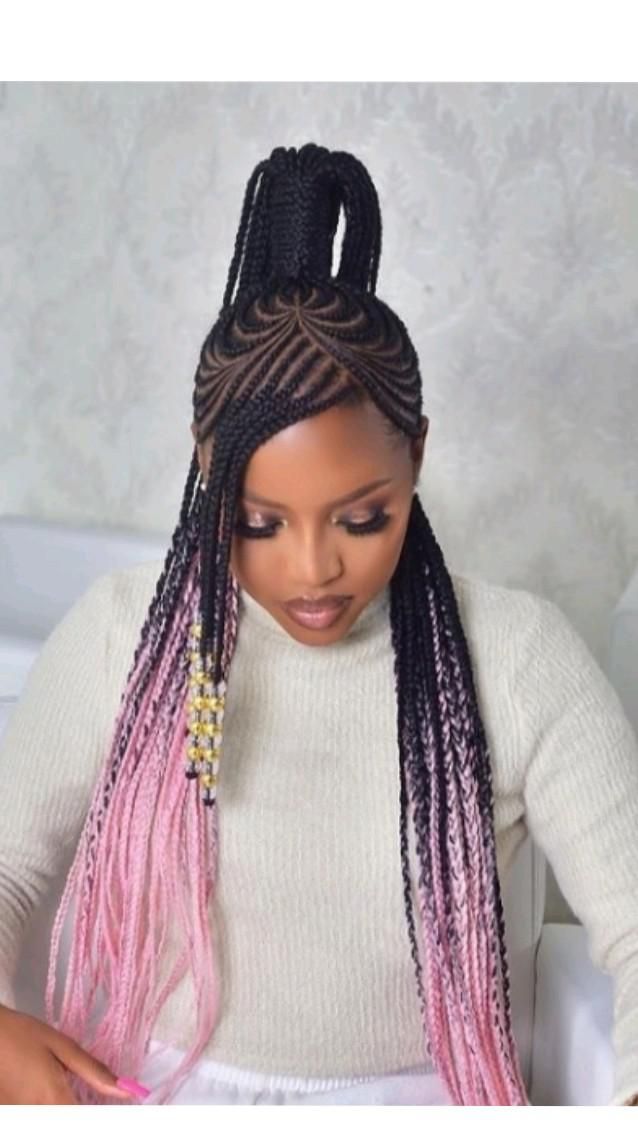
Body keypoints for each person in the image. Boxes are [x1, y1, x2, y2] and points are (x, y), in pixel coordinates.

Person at [0, 142, 637, 1107]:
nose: (313, 571)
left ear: (416, 455)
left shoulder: (517, 657)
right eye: (259, 523)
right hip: (158, 1092)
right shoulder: (118, 638)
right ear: (207, 469)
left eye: (362, 518)